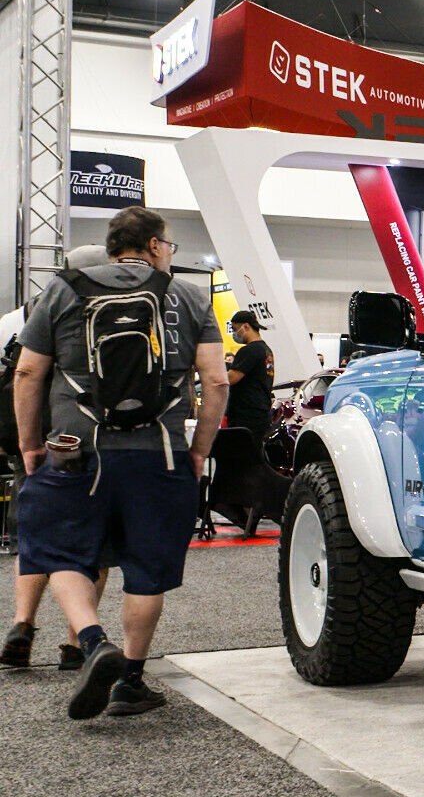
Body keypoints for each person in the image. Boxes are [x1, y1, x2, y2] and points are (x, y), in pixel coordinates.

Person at [12, 207, 228, 719]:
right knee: (147, 568)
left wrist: (29, 444)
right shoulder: (187, 296)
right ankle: (130, 679)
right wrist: (200, 451)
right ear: (153, 245)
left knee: (52, 546)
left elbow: (27, 372)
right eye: (169, 245)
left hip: (73, 448)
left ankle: (91, 641)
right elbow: (216, 381)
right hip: (160, 453)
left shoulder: (62, 290)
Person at [1, 245, 113, 671]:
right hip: (83, 439)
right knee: (93, 542)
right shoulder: (108, 311)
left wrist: (21, 439)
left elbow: (20, 373)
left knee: (34, 534)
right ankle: (74, 642)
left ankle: (22, 624)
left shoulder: (21, 314)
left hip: (26, 440)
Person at [225, 310, 275, 445]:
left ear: (246, 326)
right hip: (261, 413)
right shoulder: (266, 350)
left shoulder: (249, 351)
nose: (235, 334)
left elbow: (231, 378)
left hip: (246, 416)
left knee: (242, 457)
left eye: (236, 330)